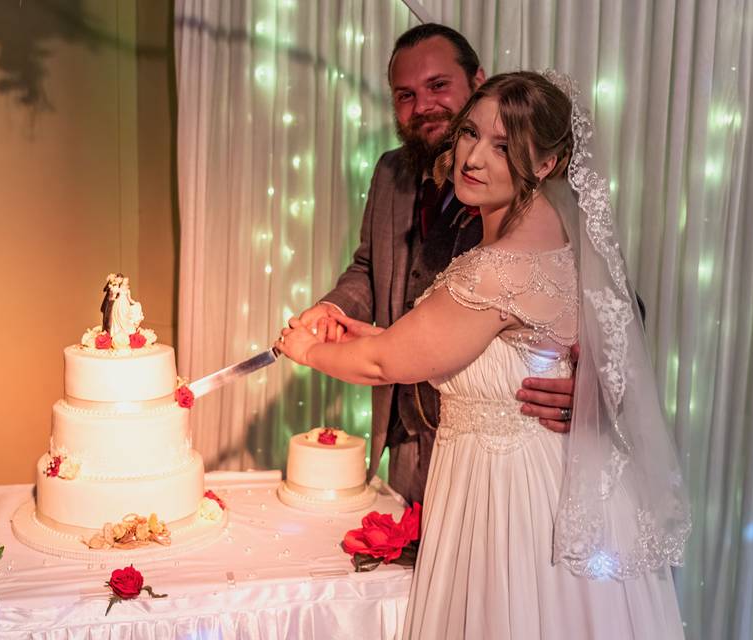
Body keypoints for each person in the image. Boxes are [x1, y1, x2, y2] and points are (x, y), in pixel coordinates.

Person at [278, 71, 689, 638]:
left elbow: (386, 366)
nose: (473, 156)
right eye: (470, 134)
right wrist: (357, 329)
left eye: (503, 147)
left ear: (546, 164)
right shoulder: (554, 236)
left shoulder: (494, 268)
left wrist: (303, 348)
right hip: (548, 483)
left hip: (512, 500)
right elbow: (455, 346)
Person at [296, 24, 575, 505]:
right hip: (409, 436)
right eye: (405, 94)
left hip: (503, 455)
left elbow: (608, 302)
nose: (422, 104)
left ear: (477, 81)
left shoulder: (543, 200)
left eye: (438, 86)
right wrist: (332, 308)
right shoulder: (389, 172)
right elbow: (368, 264)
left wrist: (586, 389)